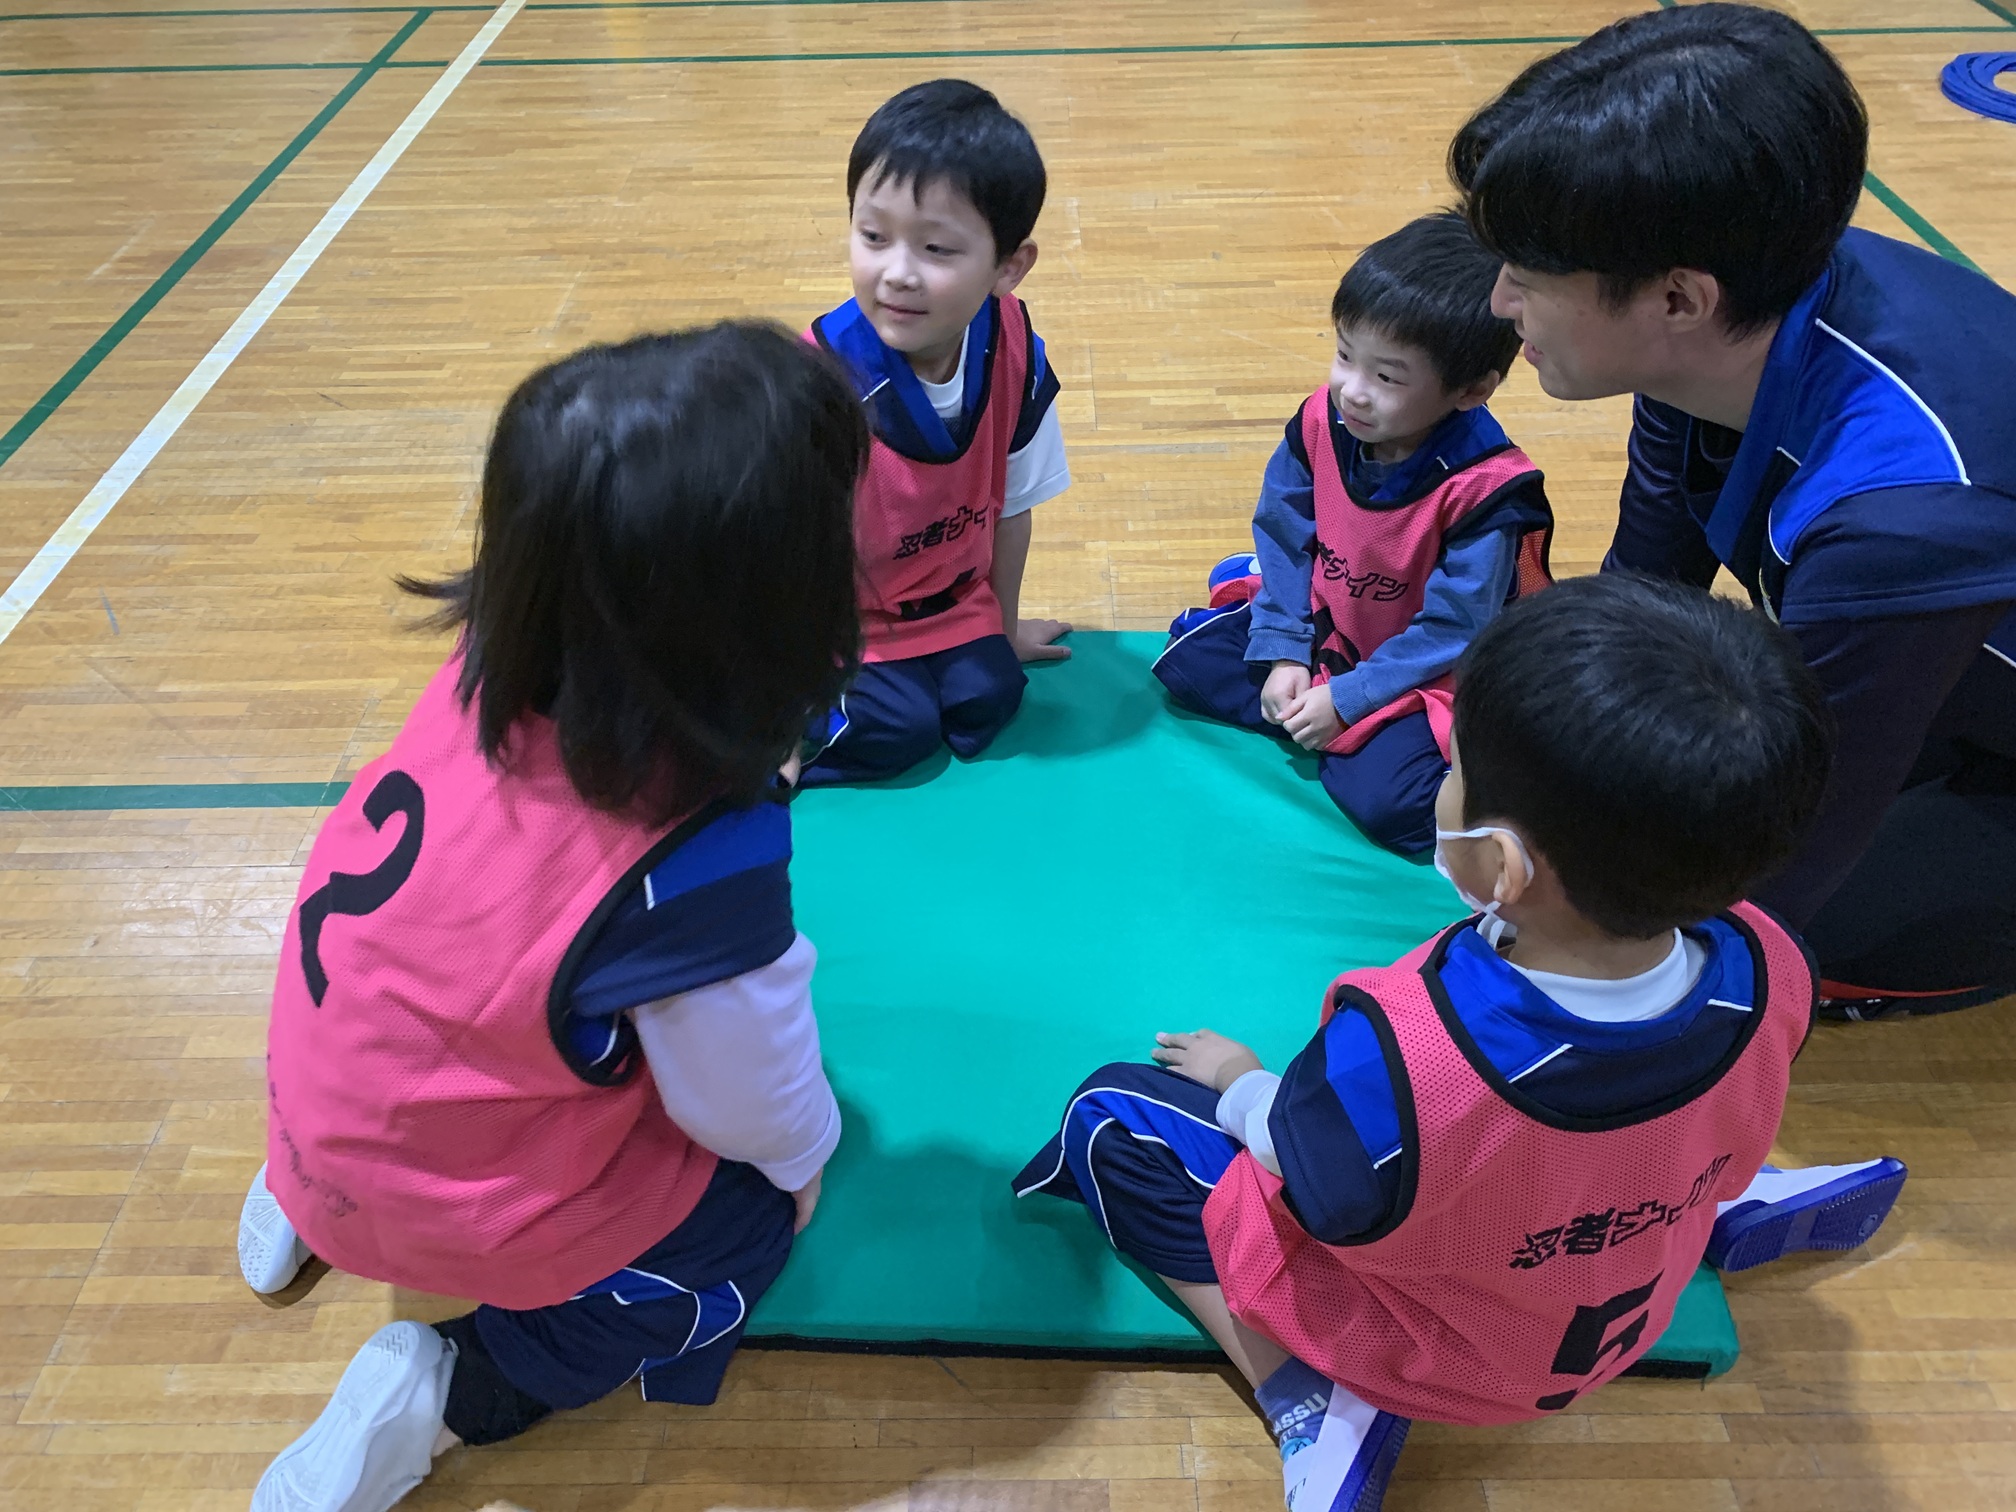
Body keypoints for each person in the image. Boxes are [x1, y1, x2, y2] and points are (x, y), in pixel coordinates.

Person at [1019, 575, 1908, 1512]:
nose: (1443, 779)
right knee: (1669, 1127)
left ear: (1505, 863)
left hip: (1445, 1355)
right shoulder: (1775, 960)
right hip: (1629, 1283)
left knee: (1109, 1120)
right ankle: (1724, 1204)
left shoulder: (1405, 1056)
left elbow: (1312, 1179)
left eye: (1455, 769)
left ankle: (1310, 1395)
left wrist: (1242, 1083)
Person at [234, 324, 865, 1512]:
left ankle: (308, 1192)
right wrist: (803, 1161)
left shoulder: (488, 666)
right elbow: (745, 1097)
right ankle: (454, 1386)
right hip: (446, 1201)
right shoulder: (694, 854)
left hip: (314, 1108)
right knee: (743, 1231)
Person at [1449, 2, 2016, 1018]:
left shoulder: (1901, 515)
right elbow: (1640, 593)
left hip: (1966, 704)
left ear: (1678, 299)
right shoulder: (1731, 300)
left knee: (1680, 930)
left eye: (1527, 280)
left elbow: (1803, 824)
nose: (1498, 303)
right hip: (1937, 672)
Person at [1151, 212, 1551, 856]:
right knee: (1186, 661)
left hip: (1425, 668)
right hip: (1334, 625)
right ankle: (1300, 676)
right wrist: (1285, 650)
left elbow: (1455, 630)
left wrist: (1347, 698)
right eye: (1344, 355)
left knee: (1396, 807)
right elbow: (1283, 530)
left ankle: (1342, 725)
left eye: (1387, 377)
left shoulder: (1483, 489)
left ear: (1472, 390)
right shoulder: (1321, 419)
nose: (1352, 392)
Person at [798, 78, 1073, 786]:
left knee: (991, 696)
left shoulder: (1014, 351)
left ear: (1009, 267)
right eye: (873, 236)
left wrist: (1004, 629)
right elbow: (769, 560)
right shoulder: (817, 387)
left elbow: (1013, 508)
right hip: (841, 625)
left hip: (950, 604)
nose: (897, 273)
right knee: (899, 729)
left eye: (937, 249)